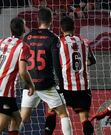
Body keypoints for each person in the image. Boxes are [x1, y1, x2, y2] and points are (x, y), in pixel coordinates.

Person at [20, 7, 73, 135]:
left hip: (29, 84)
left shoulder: (27, 37)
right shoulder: (53, 38)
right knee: (63, 114)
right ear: (51, 20)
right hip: (46, 85)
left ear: (38, 20)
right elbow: (56, 65)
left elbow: (22, 62)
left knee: (23, 118)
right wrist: (61, 84)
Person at [44, 16, 96, 135]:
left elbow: (55, 64)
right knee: (84, 118)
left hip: (66, 87)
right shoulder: (84, 41)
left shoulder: (59, 42)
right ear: (74, 27)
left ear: (61, 29)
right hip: (83, 88)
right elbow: (92, 61)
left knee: (52, 110)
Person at [0, 18, 35, 135]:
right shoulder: (23, 47)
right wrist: (31, 85)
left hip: (5, 92)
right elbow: (23, 72)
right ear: (24, 30)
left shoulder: (1, 41)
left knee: (17, 119)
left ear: (11, 30)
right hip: (4, 92)